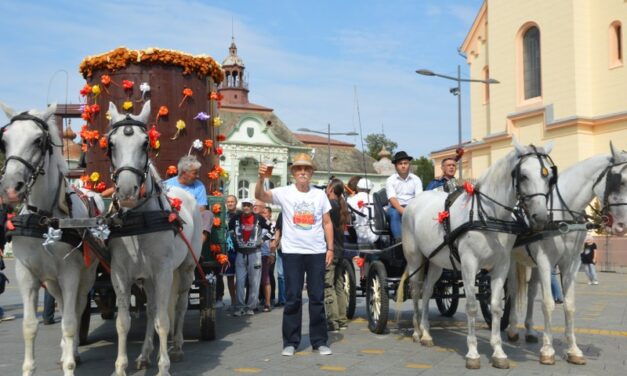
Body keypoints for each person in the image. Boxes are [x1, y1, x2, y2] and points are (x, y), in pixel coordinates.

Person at [256, 152, 334, 357]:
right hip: (292, 252)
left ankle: (319, 341)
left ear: (311, 173)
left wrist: (331, 248)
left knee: (317, 297)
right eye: (299, 169)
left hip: (316, 251)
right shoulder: (285, 192)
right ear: (293, 173)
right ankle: (291, 341)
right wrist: (261, 178)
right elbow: (261, 196)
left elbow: (327, 223)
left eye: (306, 169)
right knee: (292, 297)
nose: (303, 172)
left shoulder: (319, 194)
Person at [228, 198, 272, 317]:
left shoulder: (259, 218)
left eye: (248, 205)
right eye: (244, 205)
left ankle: (251, 307)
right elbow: (229, 229)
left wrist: (263, 240)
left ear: (252, 207)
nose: (246, 207)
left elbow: (272, 229)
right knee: (240, 281)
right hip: (240, 254)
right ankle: (240, 307)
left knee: (254, 281)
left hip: (255, 253)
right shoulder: (235, 218)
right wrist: (234, 240)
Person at [163, 155, 211, 241]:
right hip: (171, 217)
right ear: (184, 173)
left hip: (192, 217)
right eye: (195, 173)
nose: (198, 176)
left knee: (207, 214)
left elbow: (202, 208)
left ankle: (197, 250)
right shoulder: (166, 185)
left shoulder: (199, 186)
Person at [324, 179, 350, 332]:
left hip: (330, 249)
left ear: (331, 189)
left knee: (328, 286)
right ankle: (342, 319)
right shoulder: (341, 205)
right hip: (340, 249)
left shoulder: (330, 205)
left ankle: (333, 321)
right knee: (339, 285)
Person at [385, 151, 423, 241]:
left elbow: (419, 197)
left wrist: (413, 210)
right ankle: (399, 241)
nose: (403, 166)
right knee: (395, 214)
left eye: (405, 163)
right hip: (395, 207)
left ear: (409, 164)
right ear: (395, 166)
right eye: (400, 163)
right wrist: (403, 211)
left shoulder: (416, 179)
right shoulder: (390, 180)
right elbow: (392, 198)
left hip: (413, 207)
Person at [347, 178, 379, 244]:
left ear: (357, 188)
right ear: (370, 189)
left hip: (358, 232)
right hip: (375, 232)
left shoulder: (350, 200)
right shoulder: (375, 198)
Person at [222, 195, 240, 310]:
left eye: (232, 201)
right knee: (229, 277)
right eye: (228, 202)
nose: (230, 203)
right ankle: (233, 300)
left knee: (241, 277)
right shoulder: (223, 215)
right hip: (228, 250)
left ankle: (239, 299)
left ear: (236, 202)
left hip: (240, 249)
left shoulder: (241, 215)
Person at [259, 206, 276, 312]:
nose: (264, 215)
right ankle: (258, 300)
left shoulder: (271, 225)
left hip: (266, 254)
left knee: (266, 279)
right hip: (256, 254)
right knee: (256, 280)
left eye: (266, 213)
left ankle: (268, 302)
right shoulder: (259, 223)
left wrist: (272, 254)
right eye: (262, 213)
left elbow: (273, 241)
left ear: (269, 214)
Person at [272, 213, 287, 307]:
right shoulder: (282, 214)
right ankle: (282, 299)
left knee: (292, 275)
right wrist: (275, 243)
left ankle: (291, 298)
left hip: (295, 249)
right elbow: (278, 229)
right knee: (281, 275)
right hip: (282, 247)